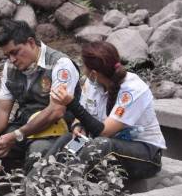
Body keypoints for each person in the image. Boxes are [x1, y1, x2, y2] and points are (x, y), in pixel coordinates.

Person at [0, 20, 81, 196]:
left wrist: (15, 136)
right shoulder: (10, 67)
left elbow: (56, 111)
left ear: (31, 43)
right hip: (24, 125)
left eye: (15, 52)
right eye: (7, 55)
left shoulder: (60, 65)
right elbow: (3, 108)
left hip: (57, 130)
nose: (12, 59)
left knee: (37, 151)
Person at [48, 41, 166, 179]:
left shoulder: (133, 89)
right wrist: (78, 125)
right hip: (101, 142)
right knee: (69, 141)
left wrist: (71, 103)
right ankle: (38, 182)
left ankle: (64, 185)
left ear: (93, 73)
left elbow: (104, 132)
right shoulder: (92, 82)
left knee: (101, 144)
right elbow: (83, 115)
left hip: (145, 155)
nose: (83, 70)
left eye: (83, 66)